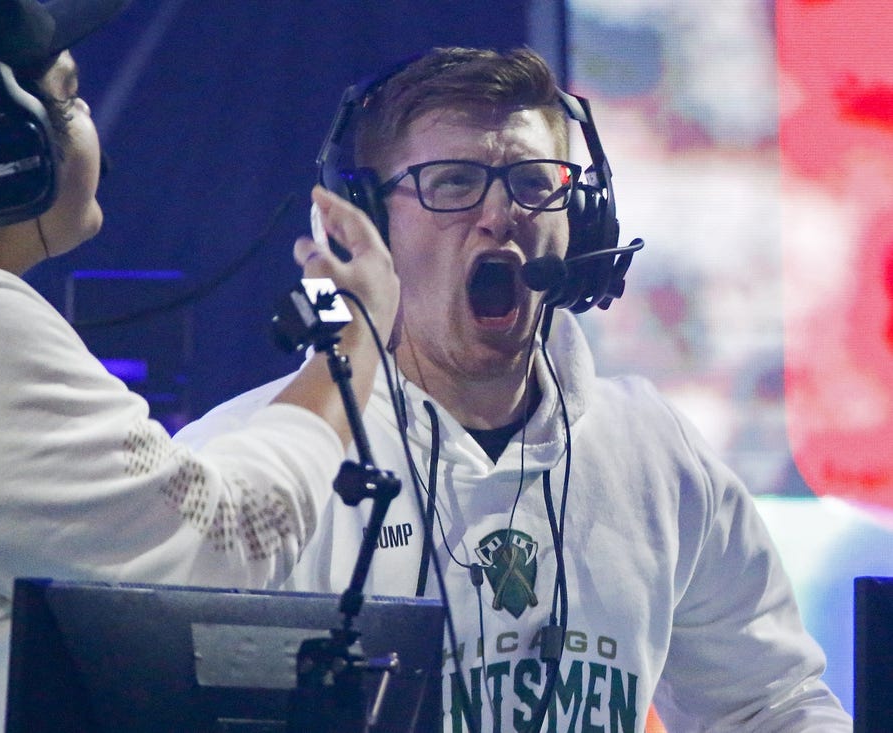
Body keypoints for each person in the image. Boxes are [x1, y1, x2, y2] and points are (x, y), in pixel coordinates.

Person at [176, 47, 853, 732]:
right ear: (368, 229)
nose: (501, 214)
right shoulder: (250, 466)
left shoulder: (655, 453)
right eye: (452, 183)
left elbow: (774, 705)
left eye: (534, 183)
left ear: (581, 217)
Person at [0, 0, 397, 730]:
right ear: (3, 147)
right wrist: (353, 328)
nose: (90, 125)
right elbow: (230, 541)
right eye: (71, 94)